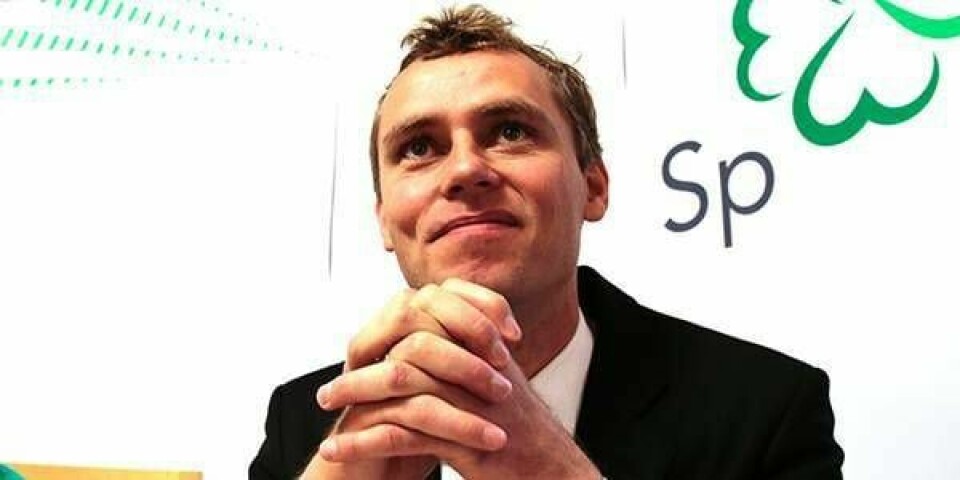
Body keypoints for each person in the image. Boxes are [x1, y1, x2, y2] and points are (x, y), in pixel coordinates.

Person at [249, 5, 844, 479]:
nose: (465, 170)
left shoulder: (765, 409)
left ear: (593, 186)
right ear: (384, 219)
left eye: (509, 131)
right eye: (420, 148)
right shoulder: (307, 427)